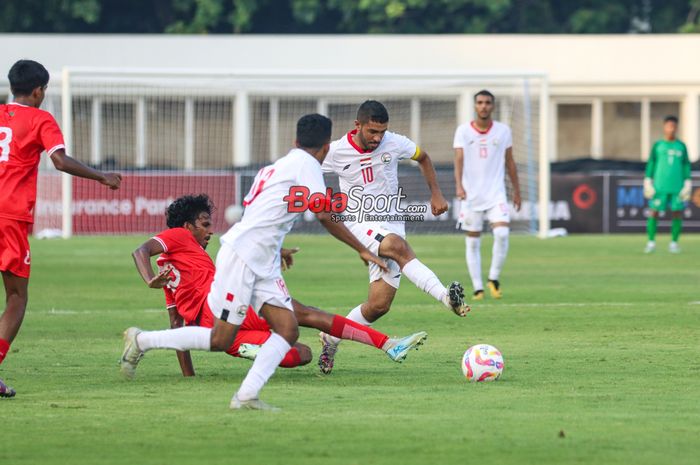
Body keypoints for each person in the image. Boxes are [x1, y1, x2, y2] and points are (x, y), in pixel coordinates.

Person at [121, 114, 418, 411]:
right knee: (221, 338)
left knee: (288, 330)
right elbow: (324, 215)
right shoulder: (307, 165)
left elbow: (260, 218)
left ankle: (247, 395)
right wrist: (362, 250)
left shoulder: (277, 167)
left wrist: (278, 249)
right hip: (244, 259)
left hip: (260, 260)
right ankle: (143, 340)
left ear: (295, 141)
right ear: (327, 147)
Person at [123, 194, 426, 378]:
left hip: (221, 330)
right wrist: (148, 278)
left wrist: (189, 377)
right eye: (205, 224)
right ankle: (387, 343)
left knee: (301, 354)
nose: (210, 231)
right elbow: (140, 250)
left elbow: (177, 325)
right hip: (226, 307)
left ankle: (248, 350)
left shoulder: (175, 271)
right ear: (187, 226)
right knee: (302, 313)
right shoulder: (178, 236)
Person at [317, 100, 469, 375]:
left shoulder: (394, 142)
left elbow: (422, 157)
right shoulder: (337, 151)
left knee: (378, 306)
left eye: (382, 132)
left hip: (392, 224)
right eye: (372, 132)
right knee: (398, 247)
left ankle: (331, 338)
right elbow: (308, 165)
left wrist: (436, 193)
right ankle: (446, 298)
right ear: (358, 126)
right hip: (359, 222)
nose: (377, 138)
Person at [0, 59, 122, 398]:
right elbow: (59, 160)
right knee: (16, 297)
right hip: (9, 216)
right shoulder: (41, 118)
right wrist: (102, 176)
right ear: (39, 91)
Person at [453, 90, 521, 301]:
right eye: (480, 102)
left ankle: (493, 278)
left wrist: (517, 190)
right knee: (473, 242)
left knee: (501, 234)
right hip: (471, 196)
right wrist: (459, 186)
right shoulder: (463, 131)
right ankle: (478, 288)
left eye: (487, 103)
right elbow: (458, 160)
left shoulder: (503, 131)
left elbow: (510, 161)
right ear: (475, 106)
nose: (483, 106)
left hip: (496, 194)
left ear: (492, 106)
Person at [643, 115, 691, 254]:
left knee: (677, 213)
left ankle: (674, 243)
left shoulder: (681, 146)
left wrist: (687, 181)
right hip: (660, 186)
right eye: (669, 126)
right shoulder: (658, 145)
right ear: (664, 127)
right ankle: (651, 242)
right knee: (654, 212)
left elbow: (685, 165)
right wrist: (647, 179)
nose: (671, 129)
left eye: (674, 126)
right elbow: (651, 162)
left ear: (676, 128)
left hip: (676, 186)